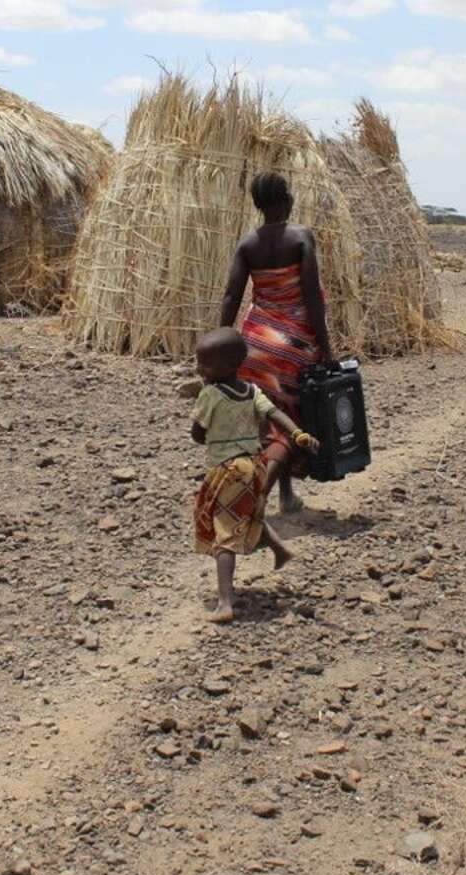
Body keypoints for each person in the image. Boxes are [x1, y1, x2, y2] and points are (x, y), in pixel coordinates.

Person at [220, 171, 334, 514]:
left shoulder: (247, 243)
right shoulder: (301, 237)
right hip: (292, 345)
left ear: (257, 205)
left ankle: (286, 497)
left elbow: (230, 296)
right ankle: (259, 500)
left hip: (255, 344)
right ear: (288, 199)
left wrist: (223, 343)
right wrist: (326, 348)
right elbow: (312, 297)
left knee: (271, 420)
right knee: (290, 425)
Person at [192, 327, 319, 624]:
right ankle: (279, 549)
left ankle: (225, 601)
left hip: (227, 469)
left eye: (204, 364)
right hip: (254, 465)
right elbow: (275, 414)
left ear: (227, 366)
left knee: (224, 531)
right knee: (247, 513)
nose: (198, 369)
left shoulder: (209, 395)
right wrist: (298, 434)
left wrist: (211, 431)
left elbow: (198, 435)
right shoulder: (252, 391)